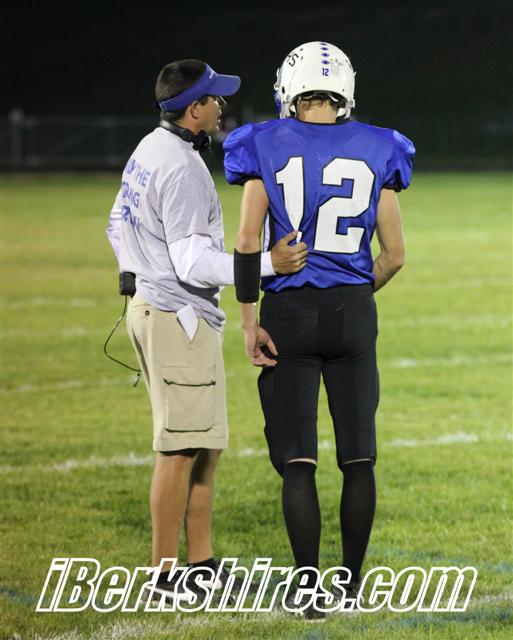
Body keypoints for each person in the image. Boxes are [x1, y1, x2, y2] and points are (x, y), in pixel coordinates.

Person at [224, 42, 415, 618]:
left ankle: (308, 591)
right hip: (353, 311)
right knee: (358, 458)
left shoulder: (261, 142)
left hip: (288, 311)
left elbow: (247, 242)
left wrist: (249, 321)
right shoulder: (381, 145)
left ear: (290, 89)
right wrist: (352, 294)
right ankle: (350, 586)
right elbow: (395, 255)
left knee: (298, 459)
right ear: (345, 90)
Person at [106, 58, 307, 600]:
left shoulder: (150, 147)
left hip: (159, 310)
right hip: (178, 319)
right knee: (178, 451)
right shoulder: (183, 167)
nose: (222, 106)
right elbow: (193, 263)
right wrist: (267, 264)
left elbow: (116, 222)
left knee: (203, 446)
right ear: (194, 108)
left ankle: (200, 565)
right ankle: (164, 576)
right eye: (215, 98)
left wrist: (135, 273)